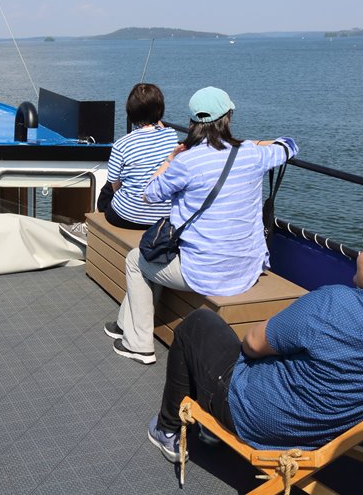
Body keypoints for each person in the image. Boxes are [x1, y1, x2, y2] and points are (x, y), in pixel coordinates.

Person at [146, 195, 363, 460]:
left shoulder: (335, 305)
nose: (359, 256)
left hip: (255, 414)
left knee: (199, 324)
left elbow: (253, 344)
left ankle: (168, 428)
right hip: (324, 429)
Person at [105, 87, 297, 364]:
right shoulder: (254, 155)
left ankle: (138, 344)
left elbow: (149, 194)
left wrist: (169, 160)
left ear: (193, 121)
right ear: (228, 117)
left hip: (204, 274)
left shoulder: (186, 161)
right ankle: (125, 325)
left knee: (137, 259)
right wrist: (253, 144)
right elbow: (288, 145)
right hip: (247, 270)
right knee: (153, 256)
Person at [98, 83, 179, 230]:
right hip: (165, 216)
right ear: (160, 110)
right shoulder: (171, 136)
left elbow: (115, 185)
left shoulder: (121, 145)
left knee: (107, 192)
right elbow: (160, 126)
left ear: (130, 111)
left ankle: (90, 227)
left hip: (128, 216)